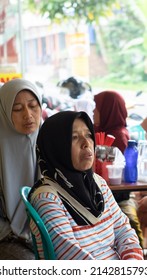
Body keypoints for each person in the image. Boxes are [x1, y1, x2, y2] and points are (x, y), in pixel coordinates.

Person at [28, 111, 143, 260]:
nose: (86, 143)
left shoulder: (97, 183)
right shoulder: (47, 198)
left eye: (89, 135)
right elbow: (72, 258)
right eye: (74, 137)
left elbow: (123, 230)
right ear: (56, 147)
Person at [93, 90, 144, 248]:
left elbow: (116, 173)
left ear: (108, 110)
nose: (94, 111)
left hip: (117, 197)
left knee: (130, 226)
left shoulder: (120, 137)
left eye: (97, 107)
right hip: (99, 195)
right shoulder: (94, 134)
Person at [0, 78, 42, 259]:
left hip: (46, 232)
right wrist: (10, 233)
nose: (28, 115)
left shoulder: (50, 141)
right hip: (7, 236)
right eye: (17, 109)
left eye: (33, 106)